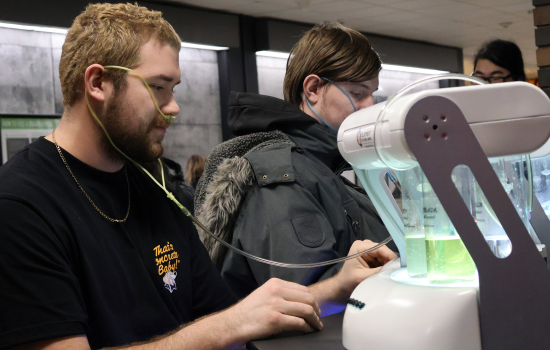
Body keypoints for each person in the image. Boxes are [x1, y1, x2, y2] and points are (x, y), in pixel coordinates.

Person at [0, 4, 396, 350]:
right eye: (157, 87)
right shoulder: (21, 206)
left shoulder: (155, 194)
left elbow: (224, 314)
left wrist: (335, 286)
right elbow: (225, 324)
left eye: (174, 87)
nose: (173, 107)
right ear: (98, 83)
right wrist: (228, 326)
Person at [196, 23, 398, 299]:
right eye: (357, 93)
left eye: (373, 94)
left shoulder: (325, 167)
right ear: (313, 89)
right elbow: (303, 297)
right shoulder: (280, 174)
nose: (369, 106)